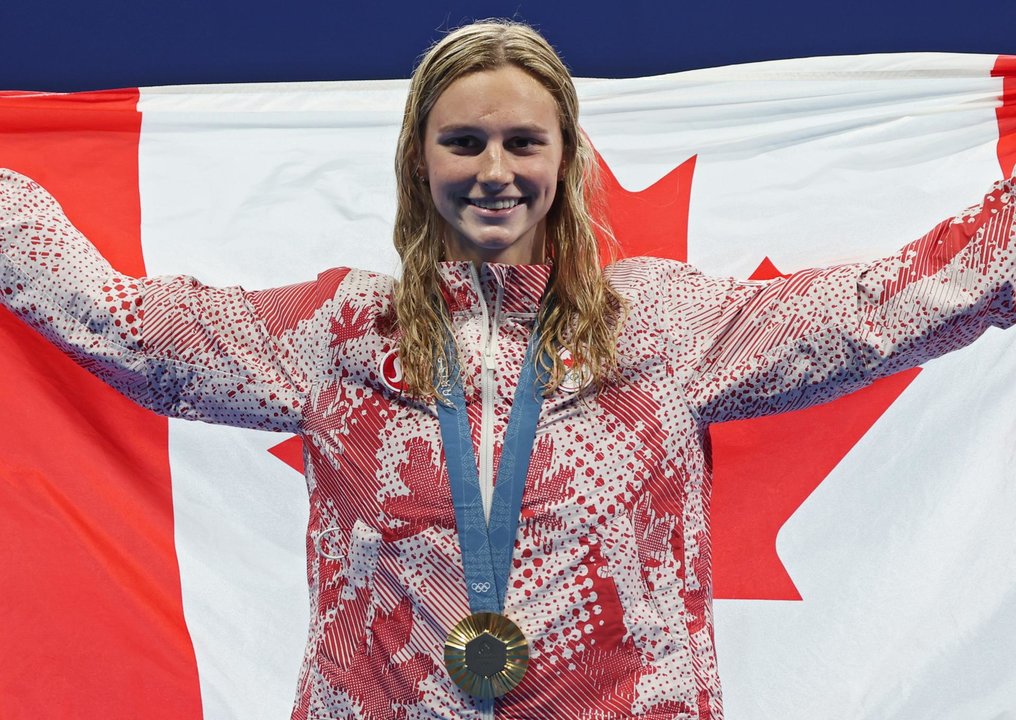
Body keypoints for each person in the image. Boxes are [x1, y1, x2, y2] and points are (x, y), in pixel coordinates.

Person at [1, 19, 1014, 720]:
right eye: (465, 142)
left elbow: (882, 309)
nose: (494, 169)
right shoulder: (339, 333)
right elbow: (122, 328)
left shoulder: (657, 328)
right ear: (419, 162)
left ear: (563, 159)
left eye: (523, 142)